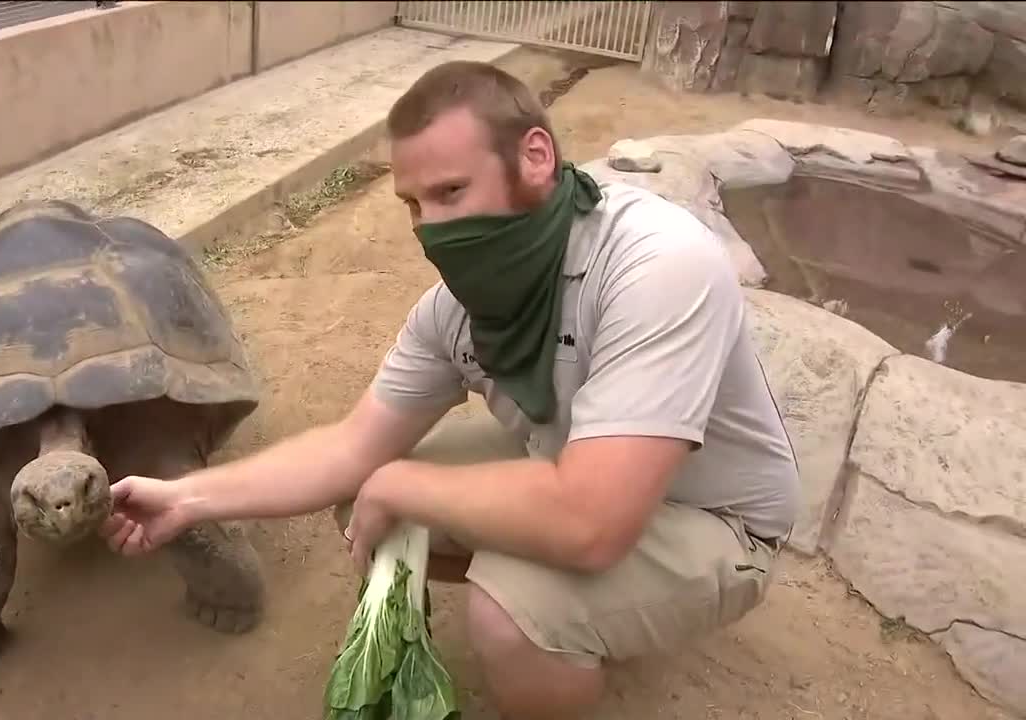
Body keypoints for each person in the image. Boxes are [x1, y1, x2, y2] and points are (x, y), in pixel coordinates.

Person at [99, 60, 802, 720]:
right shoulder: (456, 308)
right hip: (566, 459)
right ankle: (558, 587)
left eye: (451, 192)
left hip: (711, 516)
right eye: (413, 203)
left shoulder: (655, 264)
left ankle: (553, 631)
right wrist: (185, 498)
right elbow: (349, 447)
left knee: (507, 610)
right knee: (365, 489)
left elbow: (593, 522)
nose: (430, 227)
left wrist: (405, 486)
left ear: (534, 157)